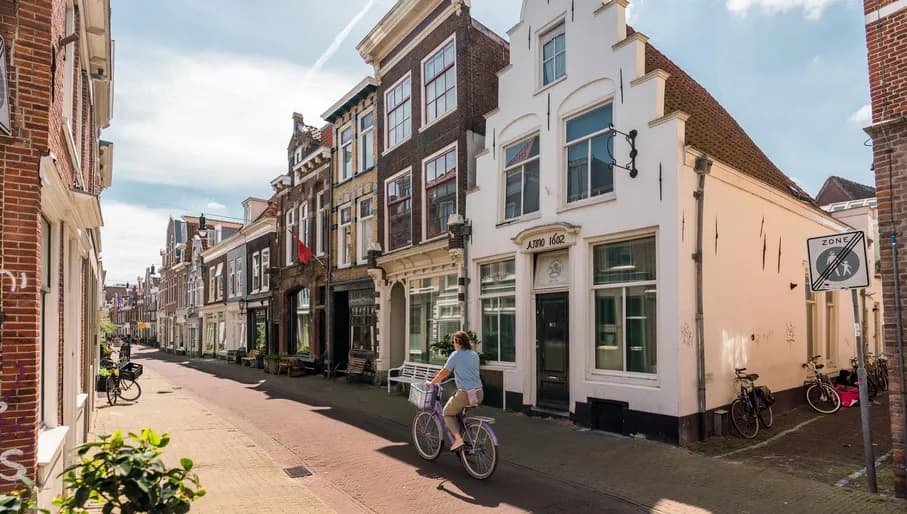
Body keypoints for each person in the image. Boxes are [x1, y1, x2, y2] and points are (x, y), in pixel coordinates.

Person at [426, 331, 483, 451]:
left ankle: (458, 440)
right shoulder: (474, 354)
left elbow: (444, 372)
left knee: (447, 412)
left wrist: (432, 382)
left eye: (454, 342)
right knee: (458, 411)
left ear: (458, 342)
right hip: (478, 393)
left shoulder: (456, 355)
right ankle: (463, 434)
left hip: (465, 394)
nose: (453, 345)